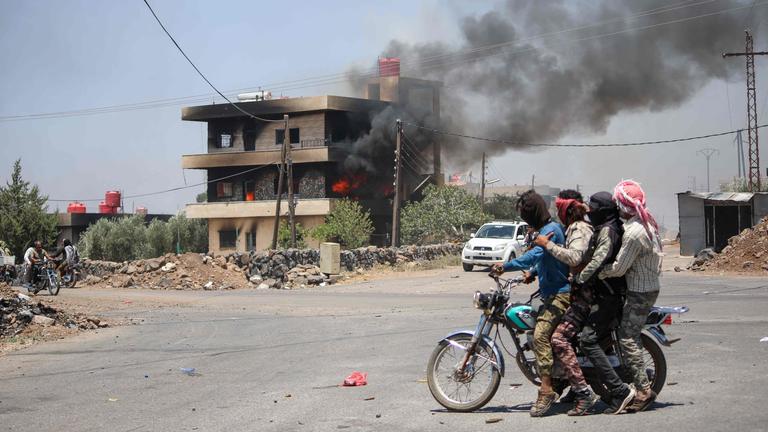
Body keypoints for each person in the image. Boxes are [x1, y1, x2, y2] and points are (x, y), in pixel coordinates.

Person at [546, 192, 635, 415]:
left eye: (594, 211)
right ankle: (575, 388)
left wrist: (579, 278)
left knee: (585, 340)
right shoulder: (604, 227)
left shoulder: (608, 231)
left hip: (607, 296)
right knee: (579, 339)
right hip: (601, 293)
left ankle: (617, 390)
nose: (590, 214)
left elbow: (598, 260)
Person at [492, 190, 570, 417]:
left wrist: (504, 266)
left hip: (560, 294)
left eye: (526, 214)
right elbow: (544, 259)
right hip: (548, 292)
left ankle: (546, 391)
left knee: (541, 337)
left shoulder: (551, 231)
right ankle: (557, 379)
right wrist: (532, 274)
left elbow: (536, 254)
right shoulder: (545, 230)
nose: (525, 219)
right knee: (532, 329)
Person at [599, 180, 663, 413]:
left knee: (627, 337)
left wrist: (598, 271)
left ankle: (644, 390)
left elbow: (619, 267)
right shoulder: (647, 223)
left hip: (640, 291)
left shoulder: (634, 232)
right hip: (648, 286)